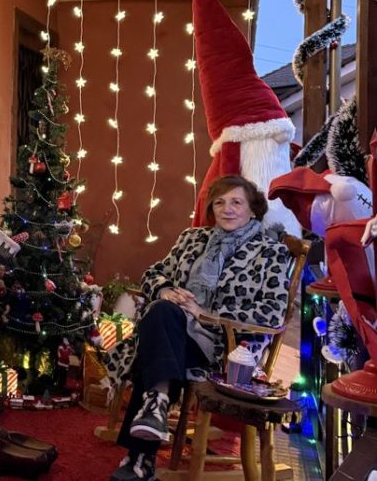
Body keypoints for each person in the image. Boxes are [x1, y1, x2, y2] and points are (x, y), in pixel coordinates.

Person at [106, 175, 291, 481]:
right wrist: (164, 288)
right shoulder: (192, 239)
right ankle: (156, 406)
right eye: (220, 202)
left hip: (224, 348)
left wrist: (207, 314)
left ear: (253, 210)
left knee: (158, 335)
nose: (227, 209)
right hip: (175, 331)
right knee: (163, 313)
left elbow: (271, 314)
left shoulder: (270, 252)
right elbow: (153, 273)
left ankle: (141, 454)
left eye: (236, 202)